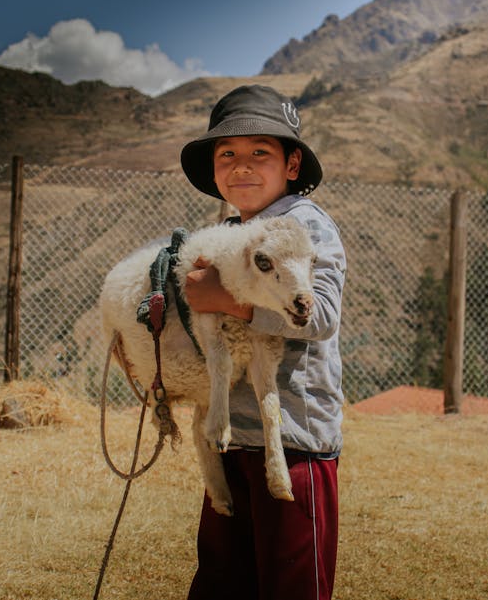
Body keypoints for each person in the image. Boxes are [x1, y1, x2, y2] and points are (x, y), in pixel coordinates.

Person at [180, 84, 346, 600]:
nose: (242, 166)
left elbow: (320, 315)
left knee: (289, 584)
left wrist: (229, 299)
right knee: (225, 579)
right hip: (231, 436)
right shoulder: (231, 233)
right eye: (227, 154)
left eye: (260, 153)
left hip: (294, 441)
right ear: (213, 170)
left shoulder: (306, 226)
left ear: (292, 164)